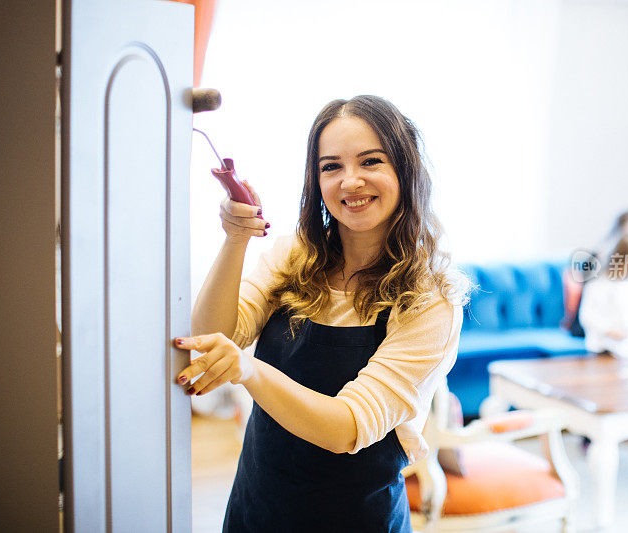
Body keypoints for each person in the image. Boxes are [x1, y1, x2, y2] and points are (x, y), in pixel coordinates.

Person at [173, 96, 467, 532]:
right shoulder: (295, 255)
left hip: (354, 519)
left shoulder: (430, 299)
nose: (351, 181)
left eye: (370, 161)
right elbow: (214, 333)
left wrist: (248, 371)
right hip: (258, 505)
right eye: (331, 167)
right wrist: (236, 239)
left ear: (405, 171)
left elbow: (345, 428)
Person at [578, 235, 628, 359]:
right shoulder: (597, 285)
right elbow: (587, 316)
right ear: (624, 260)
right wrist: (609, 330)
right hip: (603, 349)